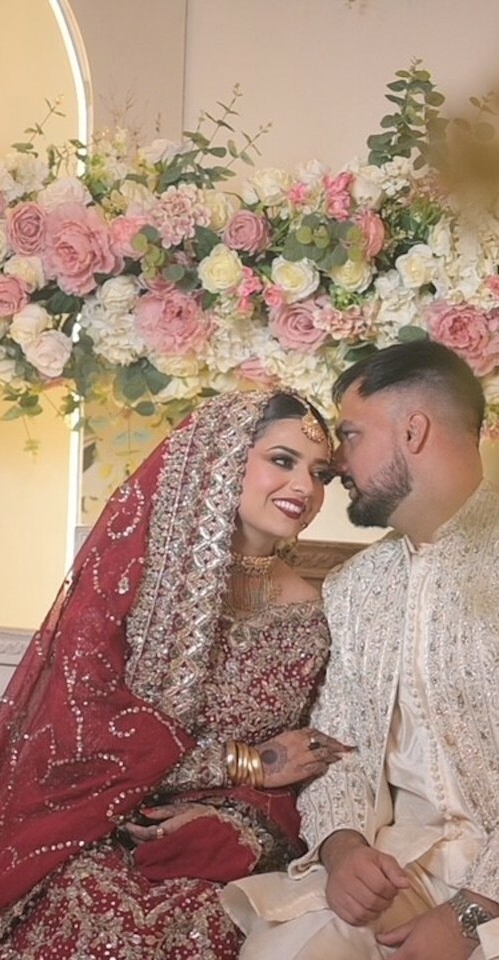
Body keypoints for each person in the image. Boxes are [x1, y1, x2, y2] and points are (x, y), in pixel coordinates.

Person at [0, 389, 351, 960]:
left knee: (197, 913)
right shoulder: (130, 581)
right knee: (96, 900)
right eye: (282, 460)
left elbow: (311, 754)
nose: (304, 487)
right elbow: (81, 731)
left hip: (237, 832)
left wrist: (239, 814)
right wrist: (244, 760)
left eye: (319, 472)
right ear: (220, 457)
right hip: (101, 818)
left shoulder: (324, 609)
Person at [222, 340, 499, 959]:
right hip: (398, 869)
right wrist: (342, 848)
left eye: (349, 435)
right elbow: (338, 744)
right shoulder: (355, 588)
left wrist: (472, 914)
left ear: (414, 429)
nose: (338, 464)